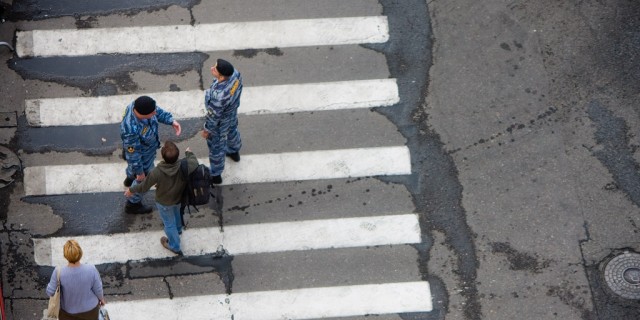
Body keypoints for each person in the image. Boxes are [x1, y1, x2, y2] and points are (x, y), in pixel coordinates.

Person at [124, 141, 199, 255]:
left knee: (169, 224)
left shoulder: (157, 172)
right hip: (178, 197)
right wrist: (189, 153)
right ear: (177, 156)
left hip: (164, 202)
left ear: (163, 157)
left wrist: (131, 190)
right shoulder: (185, 165)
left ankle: (175, 246)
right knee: (177, 214)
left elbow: (144, 187)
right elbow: (194, 162)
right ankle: (178, 230)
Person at [121, 95, 182, 214]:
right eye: (152, 112)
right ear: (142, 114)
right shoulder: (130, 129)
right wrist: (139, 173)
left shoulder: (140, 105)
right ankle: (133, 203)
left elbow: (157, 111)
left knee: (133, 169)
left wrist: (171, 121)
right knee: (144, 180)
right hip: (141, 155)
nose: (155, 113)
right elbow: (133, 154)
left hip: (146, 149)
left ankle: (130, 177)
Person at [201, 58, 243, 185]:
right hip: (231, 114)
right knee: (232, 132)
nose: (211, 68)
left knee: (216, 147)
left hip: (220, 122)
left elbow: (213, 116)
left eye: (215, 69)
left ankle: (216, 174)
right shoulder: (235, 74)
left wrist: (207, 130)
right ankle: (234, 152)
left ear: (222, 76)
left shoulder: (219, 96)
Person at [46, 240, 106, 320]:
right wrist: (101, 299)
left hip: (68, 313)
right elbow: (98, 289)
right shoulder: (91, 269)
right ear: (80, 253)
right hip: (91, 311)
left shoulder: (59, 272)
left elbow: (50, 292)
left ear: (65, 255)